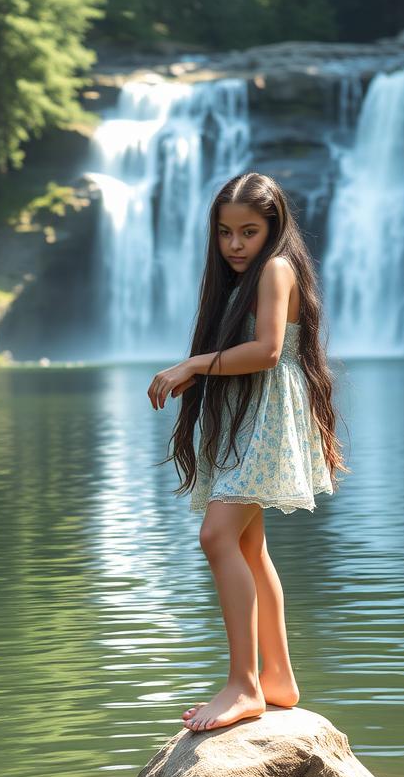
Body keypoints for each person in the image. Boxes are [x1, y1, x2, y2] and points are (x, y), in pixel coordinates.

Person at [147, 172, 348, 733]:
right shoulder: (244, 277)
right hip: (245, 418)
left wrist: (191, 365)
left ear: (274, 228)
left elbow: (267, 350)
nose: (235, 245)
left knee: (217, 536)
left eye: (249, 232)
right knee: (248, 545)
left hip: (267, 420)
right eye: (225, 233)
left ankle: (245, 685)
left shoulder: (277, 269)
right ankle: (278, 676)